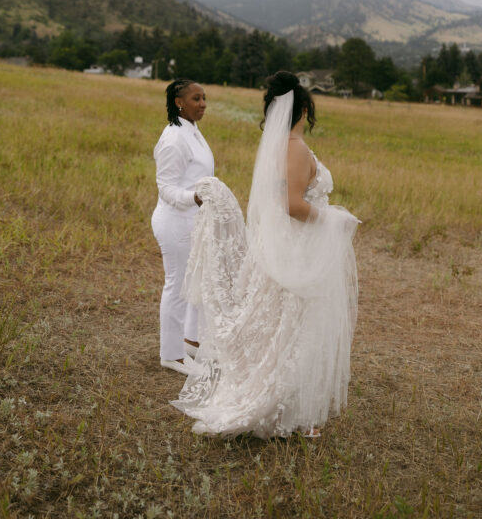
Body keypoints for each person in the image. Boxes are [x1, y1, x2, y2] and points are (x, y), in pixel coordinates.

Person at [172, 71, 359, 438]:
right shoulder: (295, 148)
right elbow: (291, 205)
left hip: (283, 243)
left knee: (282, 326)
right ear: (303, 108)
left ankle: (289, 405)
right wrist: (335, 220)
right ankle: (279, 408)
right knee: (293, 326)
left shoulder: (280, 147)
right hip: (297, 247)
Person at [151, 78, 215, 376]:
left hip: (192, 220)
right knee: (177, 285)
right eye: (196, 99)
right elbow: (165, 187)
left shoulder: (192, 130)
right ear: (179, 102)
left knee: (194, 281)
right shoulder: (174, 138)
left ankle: (190, 341)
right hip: (175, 221)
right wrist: (195, 197)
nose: (202, 104)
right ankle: (172, 355)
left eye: (204, 98)